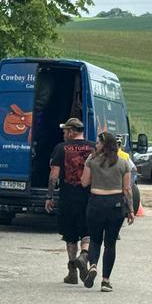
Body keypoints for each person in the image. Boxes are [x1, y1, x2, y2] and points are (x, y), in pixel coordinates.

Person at [80, 131, 133, 292]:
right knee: (110, 243)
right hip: (115, 204)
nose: (95, 145)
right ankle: (105, 280)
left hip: (96, 202)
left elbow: (84, 182)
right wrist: (131, 209)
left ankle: (93, 265)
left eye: (97, 142)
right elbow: (127, 189)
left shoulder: (91, 160)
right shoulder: (123, 162)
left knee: (95, 240)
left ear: (104, 144)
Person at [45, 118, 95, 284]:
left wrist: (49, 196)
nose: (64, 133)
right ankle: (84, 255)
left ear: (72, 131)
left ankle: (72, 271)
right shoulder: (93, 148)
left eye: (66, 130)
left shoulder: (61, 148)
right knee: (87, 231)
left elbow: (54, 175)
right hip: (89, 196)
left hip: (68, 196)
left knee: (70, 235)